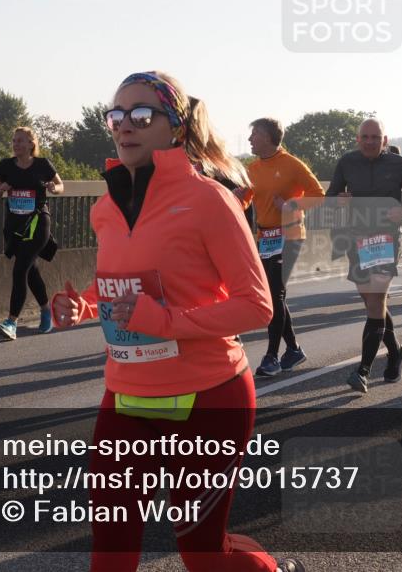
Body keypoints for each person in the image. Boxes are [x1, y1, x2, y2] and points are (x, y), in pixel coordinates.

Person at [51, 71, 304, 572]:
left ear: (176, 128)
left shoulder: (210, 199)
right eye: (117, 115)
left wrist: (165, 322)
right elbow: (126, 285)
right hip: (125, 395)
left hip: (209, 397)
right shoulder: (105, 207)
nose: (126, 125)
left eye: (142, 115)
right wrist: (83, 304)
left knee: (204, 558)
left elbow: (257, 305)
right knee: (110, 557)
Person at [326, 119, 402, 394]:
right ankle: (396, 351)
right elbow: (330, 195)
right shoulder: (347, 162)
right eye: (365, 137)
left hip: (387, 238)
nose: (369, 141)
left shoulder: (397, 163)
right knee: (371, 302)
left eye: (375, 137)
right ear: (358, 139)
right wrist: (338, 200)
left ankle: (363, 370)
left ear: (384, 139)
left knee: (377, 298)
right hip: (358, 238)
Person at [241, 118, 325, 377]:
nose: (250, 139)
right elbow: (246, 198)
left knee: (275, 294)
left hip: (289, 235)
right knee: (272, 295)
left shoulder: (292, 164)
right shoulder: (253, 167)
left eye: (254, 134)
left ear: (268, 136)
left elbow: (318, 195)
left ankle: (271, 356)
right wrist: (235, 196)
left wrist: (290, 206)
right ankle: (294, 349)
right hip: (265, 238)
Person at [0, 127, 62, 340]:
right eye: (14, 141)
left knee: (20, 269)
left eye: (21, 141)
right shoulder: (5, 165)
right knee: (31, 270)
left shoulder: (43, 165)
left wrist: (53, 188)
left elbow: (60, 185)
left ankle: (11, 322)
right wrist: (2, 188)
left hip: (38, 223)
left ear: (31, 144)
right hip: (15, 226)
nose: (16, 144)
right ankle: (46, 310)